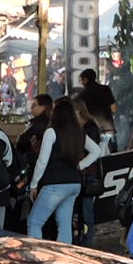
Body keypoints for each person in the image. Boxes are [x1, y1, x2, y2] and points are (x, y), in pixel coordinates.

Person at [24, 97, 88, 242]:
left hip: (54, 183)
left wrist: (34, 184)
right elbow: (96, 151)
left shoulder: (51, 132)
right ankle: (65, 259)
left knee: (34, 222)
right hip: (74, 183)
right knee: (65, 225)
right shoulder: (79, 133)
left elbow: (42, 161)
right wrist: (80, 165)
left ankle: (36, 258)